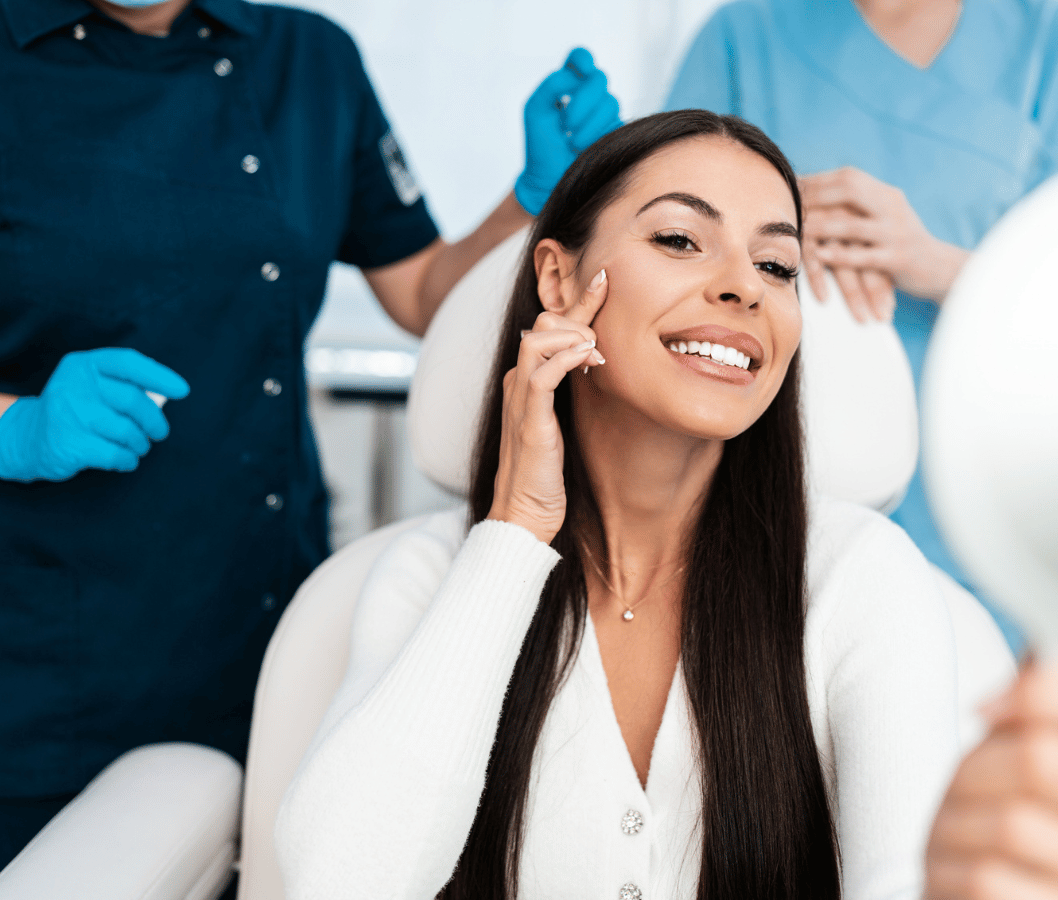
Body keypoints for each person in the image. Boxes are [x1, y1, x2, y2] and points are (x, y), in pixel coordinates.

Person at [275, 110, 1058, 900]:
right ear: (557, 277)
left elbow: (903, 876)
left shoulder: (858, 579)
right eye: (681, 240)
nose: (745, 287)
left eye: (777, 264)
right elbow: (339, 882)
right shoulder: (432, 576)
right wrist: (512, 534)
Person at [0, 0, 621, 866]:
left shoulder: (309, 59)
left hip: (263, 615)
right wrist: (16, 426)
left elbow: (422, 294)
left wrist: (534, 199)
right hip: (44, 661)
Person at [664, 0, 1058, 648]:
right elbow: (658, 242)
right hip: (768, 493)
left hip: (977, 505)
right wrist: (764, 231)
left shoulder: (1046, 42)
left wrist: (938, 265)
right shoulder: (744, 36)